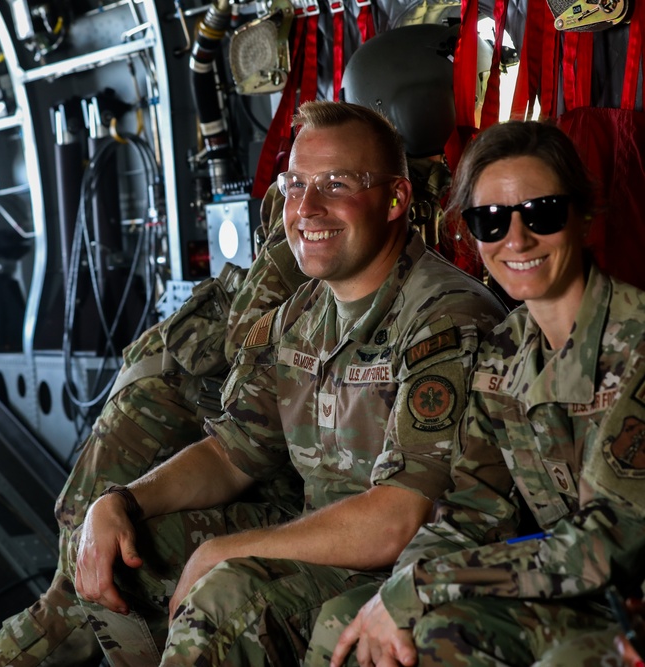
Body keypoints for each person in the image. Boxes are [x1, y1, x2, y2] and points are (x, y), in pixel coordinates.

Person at [69, 100, 506, 667]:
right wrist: (120, 500)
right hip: (325, 548)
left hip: (410, 569)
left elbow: (400, 517)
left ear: (396, 199)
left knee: (226, 594)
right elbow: (235, 453)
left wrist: (224, 551)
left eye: (336, 184)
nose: (307, 207)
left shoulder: (445, 316)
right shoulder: (304, 312)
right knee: (126, 548)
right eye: (295, 184)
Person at [311, 120, 645, 667]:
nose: (516, 240)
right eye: (491, 220)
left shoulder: (635, 347)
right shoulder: (505, 352)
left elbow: (602, 547)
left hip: (618, 597)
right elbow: (473, 508)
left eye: (542, 213)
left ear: (583, 218)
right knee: (349, 629)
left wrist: (422, 586)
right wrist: (394, 594)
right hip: (575, 593)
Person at [0, 173, 310, 667]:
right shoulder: (302, 231)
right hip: (179, 402)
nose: (314, 201)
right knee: (86, 567)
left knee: (92, 575)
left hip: (197, 402)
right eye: (302, 184)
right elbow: (245, 379)